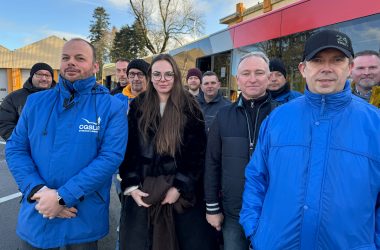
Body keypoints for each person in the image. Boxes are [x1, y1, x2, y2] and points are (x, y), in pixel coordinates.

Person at [240, 30, 380, 249]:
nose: (326, 68)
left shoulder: (375, 123)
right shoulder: (277, 118)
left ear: (350, 68)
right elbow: (257, 177)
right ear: (303, 69)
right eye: (317, 60)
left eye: (337, 60)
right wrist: (254, 230)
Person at [5, 38, 128, 250]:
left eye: (80, 58)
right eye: (66, 58)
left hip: (82, 215)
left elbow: (110, 157)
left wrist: (62, 197)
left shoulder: (111, 107)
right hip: (38, 210)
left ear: (95, 66)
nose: (71, 62)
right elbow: (16, 148)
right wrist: (39, 191)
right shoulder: (35, 103)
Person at [119, 54, 217, 250]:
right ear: (150, 76)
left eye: (168, 74)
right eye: (157, 74)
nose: (162, 79)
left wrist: (179, 187)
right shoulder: (139, 104)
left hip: (180, 195)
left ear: (175, 76)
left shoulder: (190, 105)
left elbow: (197, 152)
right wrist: (131, 186)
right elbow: (129, 148)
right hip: (144, 190)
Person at [204, 51, 279, 250]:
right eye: (246, 73)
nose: (252, 79)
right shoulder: (223, 115)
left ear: (269, 77)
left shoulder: (283, 115)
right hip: (233, 212)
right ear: (237, 79)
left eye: (259, 72)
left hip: (273, 212)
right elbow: (211, 162)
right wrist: (212, 207)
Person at [0, 62, 55, 141]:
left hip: (56, 148)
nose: (44, 78)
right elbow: (4, 123)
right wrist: (21, 142)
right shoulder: (14, 97)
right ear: (32, 76)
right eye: (39, 74)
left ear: (52, 78)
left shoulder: (61, 96)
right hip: (26, 148)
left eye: (47, 75)